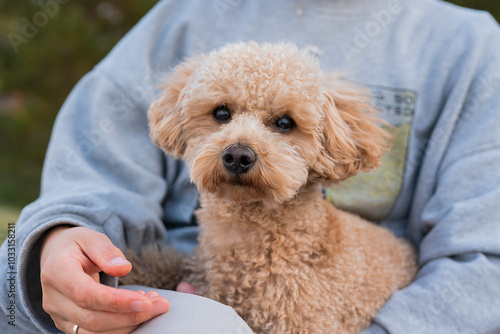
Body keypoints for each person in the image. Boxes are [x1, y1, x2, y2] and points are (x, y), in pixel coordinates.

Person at [1, 0, 500, 333]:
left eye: (282, 123)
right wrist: (60, 239)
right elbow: (88, 177)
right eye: (221, 114)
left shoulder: (470, 48)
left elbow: (486, 263)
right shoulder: (182, 17)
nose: (240, 145)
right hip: (177, 282)